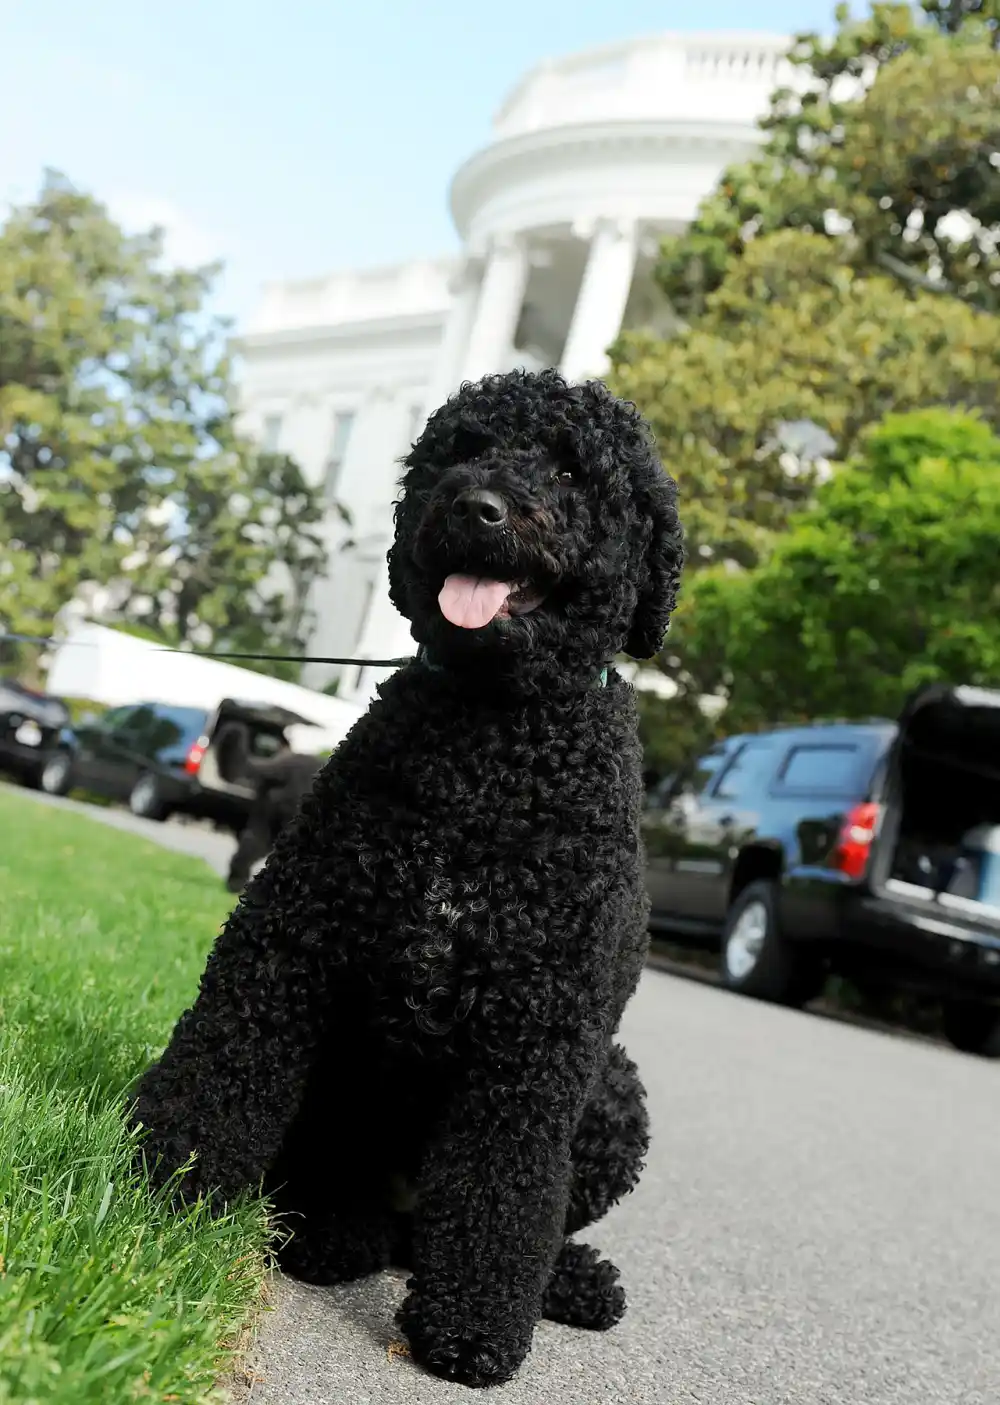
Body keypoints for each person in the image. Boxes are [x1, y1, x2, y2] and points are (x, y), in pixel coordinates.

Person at [223, 730, 322, 893]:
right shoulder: (317, 766)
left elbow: (251, 768)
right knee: (297, 852)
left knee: (257, 837)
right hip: (302, 806)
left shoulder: (287, 762)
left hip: (272, 800)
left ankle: (236, 881)